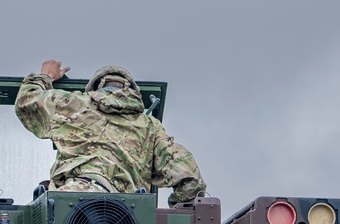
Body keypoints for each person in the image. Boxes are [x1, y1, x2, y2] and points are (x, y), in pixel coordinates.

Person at [15, 60, 206, 204]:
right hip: (126, 219)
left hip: (69, 201)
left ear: (95, 87)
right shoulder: (150, 126)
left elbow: (27, 100)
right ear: (133, 91)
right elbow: (189, 177)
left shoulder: (73, 104)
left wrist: (46, 75)